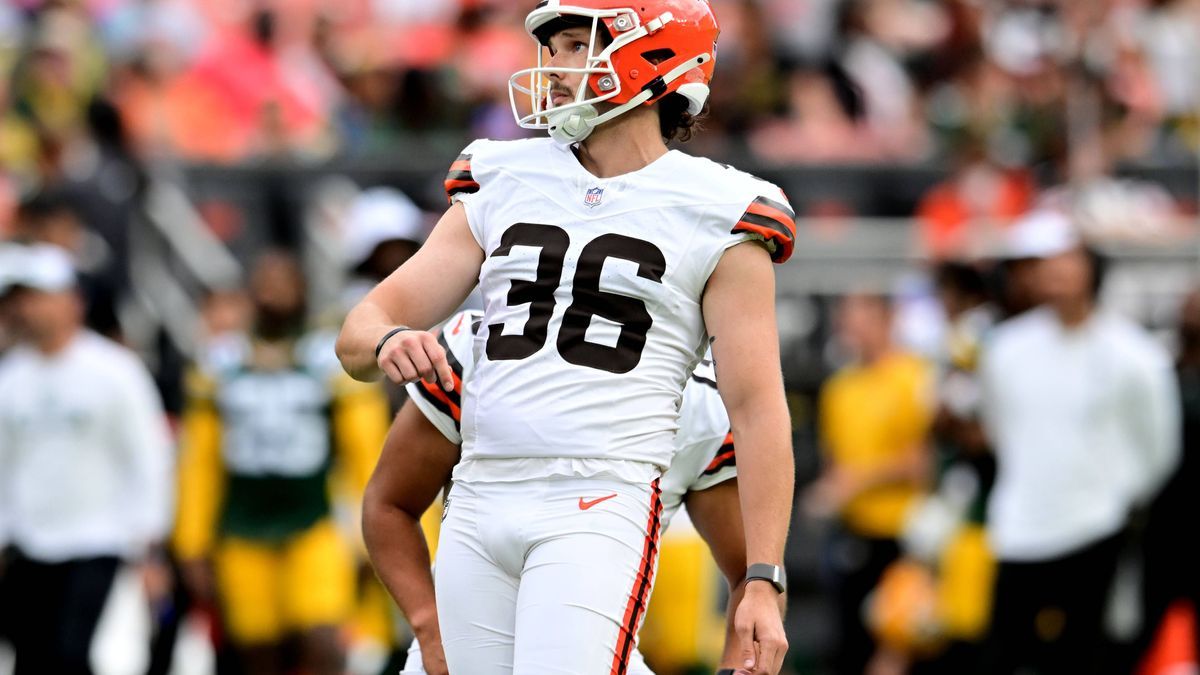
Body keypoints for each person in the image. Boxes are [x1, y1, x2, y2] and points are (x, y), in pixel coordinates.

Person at [336, 2, 796, 673]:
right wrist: (386, 341)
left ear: (658, 56)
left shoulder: (720, 208)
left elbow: (757, 407)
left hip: (599, 496)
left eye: (578, 44)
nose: (553, 66)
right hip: (477, 492)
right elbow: (362, 325)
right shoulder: (505, 174)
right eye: (551, 48)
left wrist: (763, 575)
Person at [363, 309, 771, 675]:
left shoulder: (704, 405)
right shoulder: (480, 348)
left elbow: (748, 574)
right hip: (465, 635)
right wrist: (431, 629)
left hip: (596, 645)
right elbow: (389, 504)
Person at [977, 210, 1180, 675]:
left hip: (1094, 528)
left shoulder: (1135, 356)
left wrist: (1112, 495)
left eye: (1070, 261)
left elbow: (1157, 446)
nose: (1058, 275)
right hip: (1019, 528)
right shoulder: (1006, 350)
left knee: (1084, 655)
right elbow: (999, 426)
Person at [173, 251, 389, 675]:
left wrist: (373, 533)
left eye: (284, 283)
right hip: (242, 525)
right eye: (265, 284)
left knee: (323, 641)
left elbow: (367, 450)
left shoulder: (328, 359)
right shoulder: (221, 362)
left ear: (303, 291)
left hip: (313, 521)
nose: (274, 294)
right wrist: (192, 542)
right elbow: (199, 460)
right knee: (258, 654)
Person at [0, 243, 173, 675]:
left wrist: (149, 545)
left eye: (37, 297)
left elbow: (148, 458)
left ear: (72, 301)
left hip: (99, 541)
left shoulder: (115, 371)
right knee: (31, 659)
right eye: (21, 299)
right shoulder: (11, 377)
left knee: (74, 657)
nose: (28, 309)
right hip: (29, 545)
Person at [806, 292, 935, 675]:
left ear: (886, 320)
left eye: (861, 318)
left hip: (905, 537)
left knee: (898, 646)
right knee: (850, 645)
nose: (852, 329)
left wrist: (857, 481)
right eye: (847, 319)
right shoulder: (839, 388)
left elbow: (920, 462)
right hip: (852, 533)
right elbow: (836, 464)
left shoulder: (914, 377)